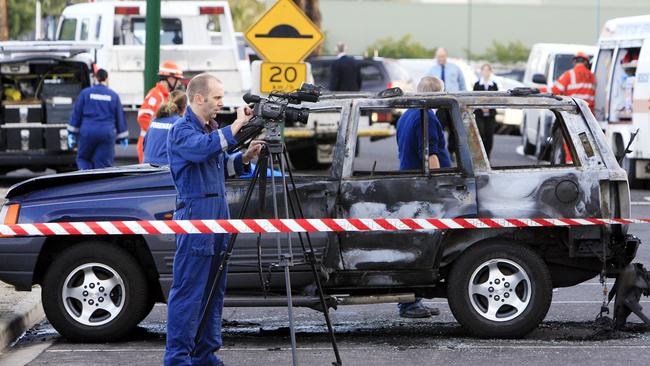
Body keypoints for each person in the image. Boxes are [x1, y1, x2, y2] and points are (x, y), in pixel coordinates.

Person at [164, 73, 262, 366]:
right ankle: (178, 359)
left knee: (213, 292)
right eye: (217, 97)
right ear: (198, 99)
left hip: (218, 217)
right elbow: (202, 150)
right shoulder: (182, 131)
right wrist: (235, 127)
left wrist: (244, 158)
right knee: (188, 292)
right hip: (197, 219)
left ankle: (206, 355)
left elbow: (217, 165)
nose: (221, 103)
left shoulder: (209, 130)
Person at [395, 76, 451, 318]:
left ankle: (412, 300)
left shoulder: (408, 114)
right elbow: (431, 154)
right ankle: (409, 303)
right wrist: (441, 186)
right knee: (421, 246)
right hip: (423, 189)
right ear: (437, 95)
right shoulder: (428, 116)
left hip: (409, 183)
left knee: (413, 244)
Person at [67, 69, 128, 170]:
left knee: (83, 158)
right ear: (107, 79)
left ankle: (85, 181)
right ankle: (100, 184)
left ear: (95, 78)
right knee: (103, 164)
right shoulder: (113, 95)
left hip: (88, 132)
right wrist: (122, 137)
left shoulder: (85, 93)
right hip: (106, 133)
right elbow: (119, 117)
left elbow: (76, 114)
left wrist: (71, 133)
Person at [137, 61, 184, 163]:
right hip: (150, 145)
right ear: (169, 78)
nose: (179, 83)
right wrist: (158, 133)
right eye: (178, 79)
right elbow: (143, 117)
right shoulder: (156, 95)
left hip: (154, 145)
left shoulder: (165, 96)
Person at [143, 90, 187, 166]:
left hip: (146, 165)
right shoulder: (179, 123)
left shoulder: (155, 120)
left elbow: (144, 145)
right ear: (185, 107)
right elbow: (188, 150)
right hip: (165, 168)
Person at [473, 63, 498, 157]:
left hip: (490, 114)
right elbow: (474, 98)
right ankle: (480, 156)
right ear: (481, 71)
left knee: (489, 136)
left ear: (490, 72)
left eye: (488, 70)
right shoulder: (477, 84)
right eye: (484, 70)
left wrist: (489, 107)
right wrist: (481, 107)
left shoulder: (494, 85)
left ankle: (488, 156)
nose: (486, 72)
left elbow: (496, 99)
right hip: (479, 114)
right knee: (480, 133)